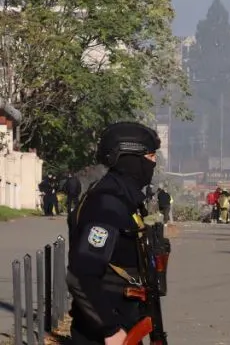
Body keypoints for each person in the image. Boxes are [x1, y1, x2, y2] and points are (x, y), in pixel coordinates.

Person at [66, 121, 163, 345]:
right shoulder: (108, 204)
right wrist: (110, 329)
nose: (154, 161)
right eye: (149, 156)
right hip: (105, 334)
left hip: (125, 324)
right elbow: (81, 275)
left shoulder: (124, 199)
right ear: (129, 157)